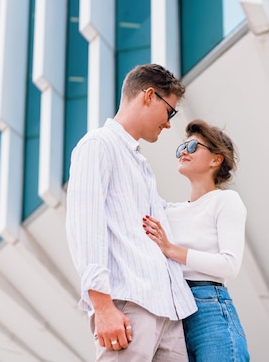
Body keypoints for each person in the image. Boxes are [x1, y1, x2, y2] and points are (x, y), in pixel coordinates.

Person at [66, 63, 197, 361]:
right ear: (149, 96)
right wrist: (102, 307)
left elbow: (164, 216)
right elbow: (85, 227)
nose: (168, 124)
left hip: (168, 310)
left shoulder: (141, 164)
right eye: (169, 112)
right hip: (129, 305)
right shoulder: (98, 145)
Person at [143, 119, 250, 362]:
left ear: (216, 159)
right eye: (182, 148)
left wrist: (171, 249)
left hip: (210, 307)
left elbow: (229, 265)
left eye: (193, 147)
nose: (184, 152)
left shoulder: (226, 201)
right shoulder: (169, 211)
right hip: (174, 313)